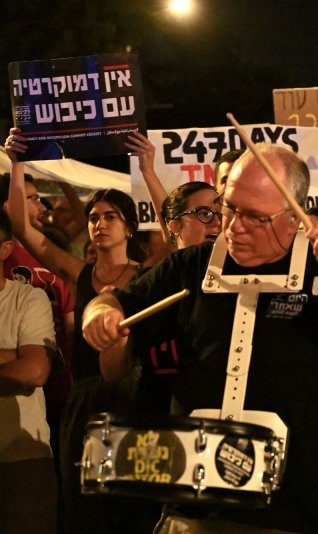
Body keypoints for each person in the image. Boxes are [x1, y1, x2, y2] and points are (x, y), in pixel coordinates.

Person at [82, 143, 318, 533]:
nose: (233, 226)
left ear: (292, 218)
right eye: (229, 207)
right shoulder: (194, 264)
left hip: (297, 505)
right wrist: (102, 315)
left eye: (255, 217)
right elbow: (113, 307)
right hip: (195, 501)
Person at [5, 129, 142, 533]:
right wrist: (16, 163)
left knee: (127, 502)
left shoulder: (148, 277)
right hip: (83, 401)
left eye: (111, 217)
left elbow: (176, 243)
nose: (100, 224)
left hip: (130, 399)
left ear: (130, 227)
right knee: (82, 504)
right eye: (94, 217)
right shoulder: (80, 273)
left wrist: (148, 168)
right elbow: (22, 228)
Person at [0, 209, 58, 534]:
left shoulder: (29, 298)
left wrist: (23, 361)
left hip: (22, 459)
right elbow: (23, 366)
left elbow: (34, 371)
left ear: (5, 249)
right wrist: (11, 357)